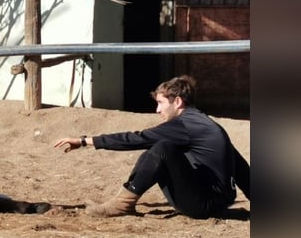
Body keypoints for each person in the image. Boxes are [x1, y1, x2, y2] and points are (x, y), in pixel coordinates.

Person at [53, 75, 250, 219]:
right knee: (162, 148)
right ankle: (125, 201)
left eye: (160, 103)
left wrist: (85, 141)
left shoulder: (184, 125)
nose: (157, 110)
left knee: (162, 148)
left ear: (178, 102)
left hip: (203, 205)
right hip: (217, 201)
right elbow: (238, 163)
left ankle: (123, 204)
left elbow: (136, 139)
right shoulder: (205, 125)